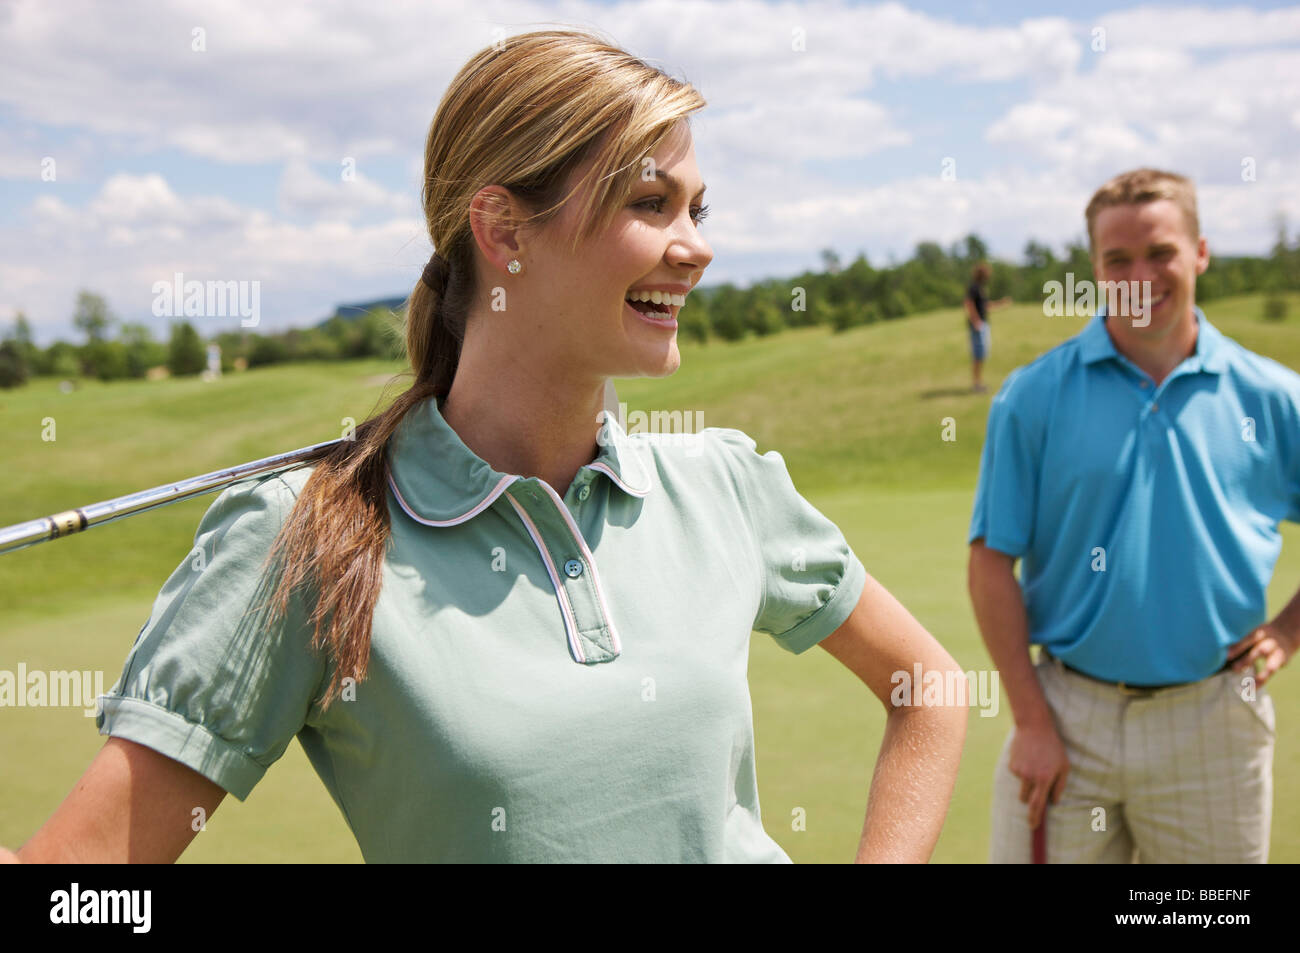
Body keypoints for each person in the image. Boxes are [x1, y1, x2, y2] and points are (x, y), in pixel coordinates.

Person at [3, 29, 965, 864]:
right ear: (504, 230)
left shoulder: (725, 485)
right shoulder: (303, 540)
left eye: (696, 209)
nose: (696, 245)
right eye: (649, 203)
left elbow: (929, 687)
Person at [968, 167, 1300, 863]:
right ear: (1094, 268)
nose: (1139, 274)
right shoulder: (1032, 396)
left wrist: (1289, 630)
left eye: (1161, 252)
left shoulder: (1273, 396)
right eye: (1117, 259)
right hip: (1065, 716)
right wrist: (1030, 718)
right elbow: (990, 562)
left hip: (1215, 720)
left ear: (1201, 252)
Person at [964, 262, 1011, 393]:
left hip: (983, 325)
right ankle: (976, 384)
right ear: (981, 274)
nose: (989, 275)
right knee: (978, 355)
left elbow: (985, 306)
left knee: (982, 355)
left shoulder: (981, 288)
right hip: (978, 326)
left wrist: (1001, 303)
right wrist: (976, 321)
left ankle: (978, 382)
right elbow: (969, 303)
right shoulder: (974, 287)